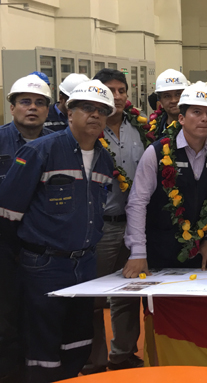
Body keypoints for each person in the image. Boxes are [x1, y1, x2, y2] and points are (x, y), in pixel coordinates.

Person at [0, 79, 115, 382]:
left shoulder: (104, 158)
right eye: (87, 108)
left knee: (78, 340)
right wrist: (29, 250)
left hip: (84, 265)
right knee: (42, 346)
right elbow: (7, 212)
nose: (95, 115)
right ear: (69, 112)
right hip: (44, 265)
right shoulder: (39, 151)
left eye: (102, 110)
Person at [123, 81, 207, 275]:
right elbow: (137, 202)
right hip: (160, 251)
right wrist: (137, 252)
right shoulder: (156, 153)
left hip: (204, 253)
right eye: (196, 112)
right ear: (181, 118)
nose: (204, 118)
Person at [83, 70, 146, 374]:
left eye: (122, 90)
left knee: (128, 293)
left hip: (135, 224)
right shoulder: (89, 130)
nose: (118, 96)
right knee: (95, 296)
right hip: (102, 225)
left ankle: (123, 354)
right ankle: (93, 359)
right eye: (111, 90)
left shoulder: (139, 129)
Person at [0, 75, 53, 383]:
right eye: (25, 102)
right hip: (2, 246)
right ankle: (7, 375)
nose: (32, 108)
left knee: (41, 314)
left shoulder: (58, 143)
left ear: (48, 110)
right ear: (12, 106)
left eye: (40, 103)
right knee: (3, 318)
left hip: (45, 248)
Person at [151, 69, 188, 137]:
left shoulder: (201, 127)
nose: (173, 100)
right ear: (160, 101)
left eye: (178, 94)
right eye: (167, 96)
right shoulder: (152, 131)